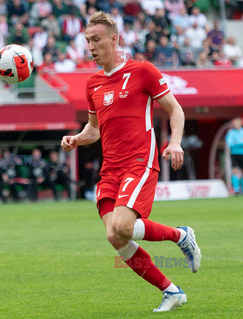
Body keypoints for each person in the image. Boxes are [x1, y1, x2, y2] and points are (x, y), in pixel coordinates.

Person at [60, 12, 201, 312]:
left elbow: (175, 110)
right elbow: (94, 130)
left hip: (140, 159)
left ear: (114, 39)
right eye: (87, 41)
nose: (91, 47)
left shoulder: (143, 71)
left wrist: (174, 141)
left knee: (123, 225)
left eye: (96, 40)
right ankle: (171, 290)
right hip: (110, 168)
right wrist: (76, 138)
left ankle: (181, 236)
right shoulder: (92, 83)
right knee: (115, 235)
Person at [225, 117, 243, 195]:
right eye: (235, 123)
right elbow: (230, 144)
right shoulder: (231, 133)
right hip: (235, 155)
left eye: (237, 122)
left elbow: (234, 144)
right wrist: (240, 144)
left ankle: (242, 189)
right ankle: (236, 189)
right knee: (235, 171)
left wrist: (237, 144)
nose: (236, 124)